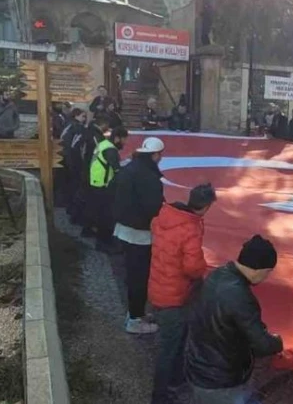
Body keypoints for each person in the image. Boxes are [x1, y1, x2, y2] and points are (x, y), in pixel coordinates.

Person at [186, 235, 283, 404]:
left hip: (199, 367)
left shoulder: (217, 275)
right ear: (258, 269)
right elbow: (262, 344)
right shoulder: (240, 296)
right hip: (222, 380)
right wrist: (278, 342)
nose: (266, 277)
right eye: (268, 272)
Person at [149, 183, 217, 404]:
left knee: (176, 339)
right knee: (169, 347)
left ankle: (176, 379)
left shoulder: (164, 218)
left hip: (159, 287)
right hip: (175, 295)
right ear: (206, 206)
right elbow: (192, 267)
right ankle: (160, 395)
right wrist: (203, 267)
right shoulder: (190, 229)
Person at [112, 136, 167, 334]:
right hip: (140, 233)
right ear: (155, 155)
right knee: (139, 276)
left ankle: (136, 313)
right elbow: (154, 206)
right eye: (160, 155)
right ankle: (135, 319)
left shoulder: (129, 169)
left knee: (134, 274)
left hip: (125, 228)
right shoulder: (148, 177)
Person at [85, 125, 127, 254]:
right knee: (105, 216)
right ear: (117, 138)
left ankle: (90, 232)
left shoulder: (103, 144)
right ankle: (103, 243)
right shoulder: (111, 150)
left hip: (95, 181)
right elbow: (117, 170)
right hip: (103, 185)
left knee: (97, 211)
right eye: (124, 140)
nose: (124, 143)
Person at [58, 108, 89, 208]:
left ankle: (64, 201)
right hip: (72, 157)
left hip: (63, 155)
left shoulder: (68, 124)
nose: (84, 119)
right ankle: (71, 202)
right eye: (83, 116)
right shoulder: (78, 128)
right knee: (73, 181)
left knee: (65, 180)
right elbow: (75, 146)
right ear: (76, 116)